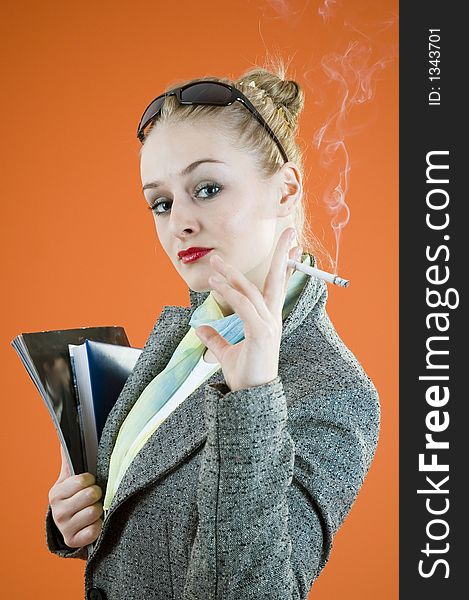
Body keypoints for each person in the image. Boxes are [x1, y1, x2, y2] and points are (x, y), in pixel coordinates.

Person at [45, 61, 381, 600]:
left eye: (206, 188)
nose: (179, 221)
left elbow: (253, 590)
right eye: (161, 202)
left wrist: (252, 400)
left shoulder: (334, 391)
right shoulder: (178, 339)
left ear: (285, 190)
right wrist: (78, 510)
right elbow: (145, 518)